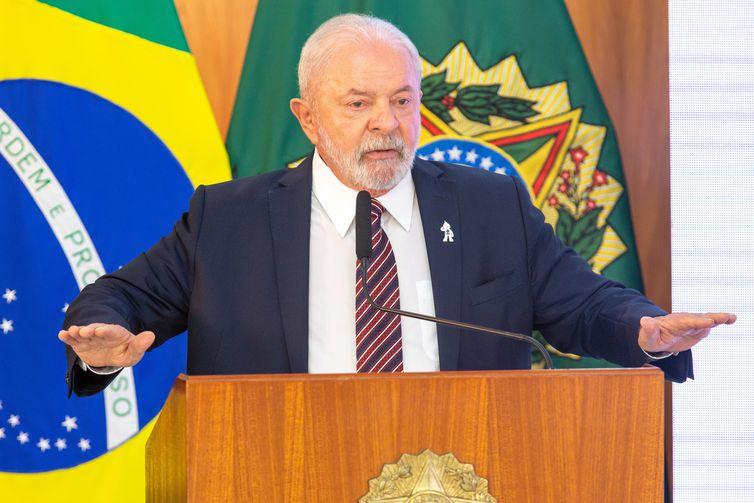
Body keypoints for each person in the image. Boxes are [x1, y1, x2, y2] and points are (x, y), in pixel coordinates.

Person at [59, 14, 735, 397]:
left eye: (403, 101)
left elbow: (583, 303)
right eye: (358, 104)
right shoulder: (228, 221)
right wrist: (100, 344)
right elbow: (117, 301)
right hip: (279, 477)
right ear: (307, 117)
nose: (386, 123)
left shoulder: (489, 207)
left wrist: (645, 328)